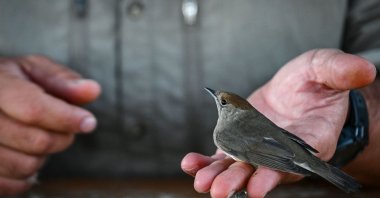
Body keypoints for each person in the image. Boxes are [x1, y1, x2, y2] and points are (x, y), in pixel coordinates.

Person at [0, 0, 380, 197]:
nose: (218, 101)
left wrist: (353, 113)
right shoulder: (232, 130)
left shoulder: (225, 137)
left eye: (223, 102)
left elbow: (270, 153)